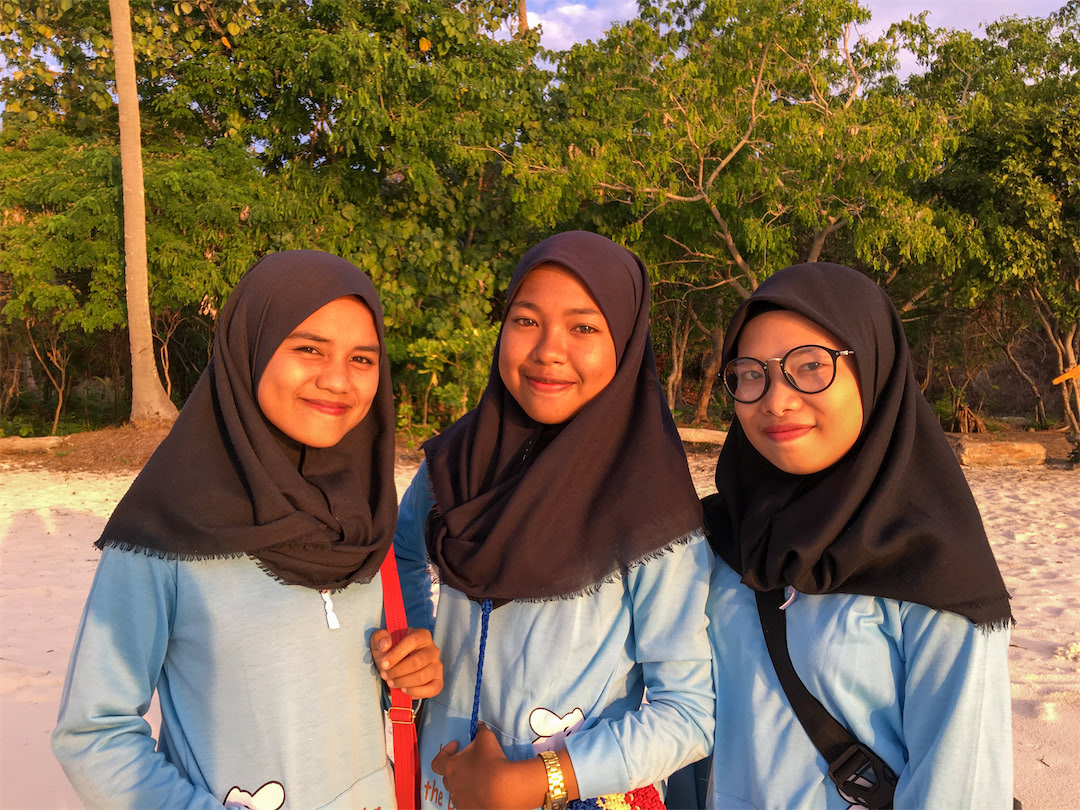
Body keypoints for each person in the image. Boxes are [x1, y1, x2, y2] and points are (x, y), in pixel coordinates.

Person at [52, 250, 443, 809]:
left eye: (362, 358)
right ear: (250, 350)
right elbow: (92, 733)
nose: (337, 380)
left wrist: (409, 672)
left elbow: (344, 682)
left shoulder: (363, 516)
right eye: (309, 348)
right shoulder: (168, 533)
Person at [393, 231, 714, 809]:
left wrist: (539, 779)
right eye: (526, 320)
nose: (548, 350)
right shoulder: (459, 467)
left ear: (626, 342)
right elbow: (403, 550)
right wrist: (418, 638)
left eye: (584, 327)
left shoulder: (651, 512)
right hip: (439, 788)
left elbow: (689, 712)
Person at [701, 263, 1013, 808]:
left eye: (810, 366)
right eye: (751, 373)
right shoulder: (719, 539)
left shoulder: (933, 567)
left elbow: (960, 787)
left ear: (873, 369)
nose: (776, 399)